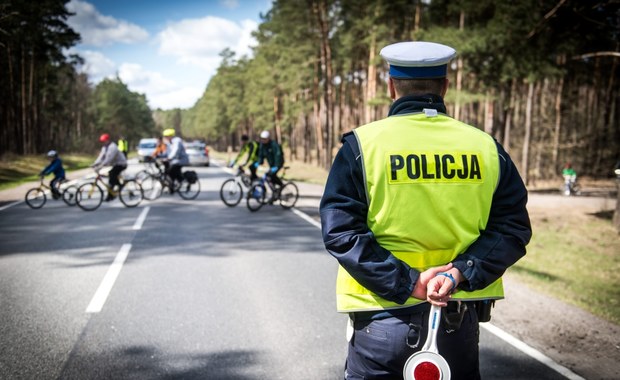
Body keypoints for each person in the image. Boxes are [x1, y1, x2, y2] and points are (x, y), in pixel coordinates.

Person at [319, 41, 532, 380]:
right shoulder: (486, 147)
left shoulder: (362, 146)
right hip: (457, 319)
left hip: (381, 319)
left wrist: (409, 282)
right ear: (445, 86)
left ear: (391, 86)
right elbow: (512, 228)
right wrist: (458, 272)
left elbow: (341, 232)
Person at [92, 133, 127, 201]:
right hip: (115, 164)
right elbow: (101, 157)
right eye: (102, 141)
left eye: (104, 141)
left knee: (112, 176)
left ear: (108, 140)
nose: (103, 142)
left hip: (121, 164)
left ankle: (119, 186)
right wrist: (95, 163)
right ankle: (110, 195)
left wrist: (101, 165)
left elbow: (109, 158)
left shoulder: (112, 147)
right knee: (111, 179)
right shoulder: (104, 147)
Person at [253, 130, 284, 195]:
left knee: (270, 176)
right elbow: (261, 155)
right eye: (262, 139)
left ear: (268, 138)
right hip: (271, 164)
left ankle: (281, 186)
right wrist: (258, 162)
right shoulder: (262, 145)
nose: (263, 140)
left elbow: (278, 155)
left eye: (264, 139)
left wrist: (277, 166)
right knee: (269, 177)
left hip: (278, 163)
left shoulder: (274, 144)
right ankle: (275, 193)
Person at [162, 128, 189, 193]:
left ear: (170, 136)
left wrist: (169, 158)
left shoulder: (177, 141)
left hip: (181, 160)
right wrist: (159, 156)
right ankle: (172, 187)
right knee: (169, 172)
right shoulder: (169, 142)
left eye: (166, 136)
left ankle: (182, 180)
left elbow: (175, 151)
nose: (165, 138)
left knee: (172, 169)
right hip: (175, 160)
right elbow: (167, 152)